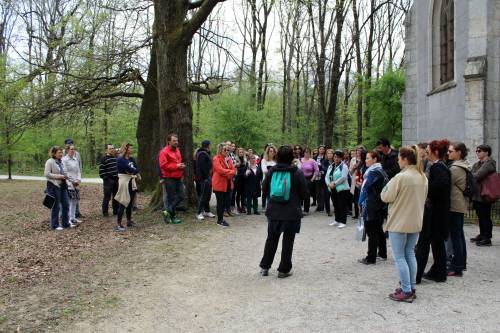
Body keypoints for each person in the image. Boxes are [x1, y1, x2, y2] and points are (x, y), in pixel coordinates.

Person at [381, 145, 428, 302]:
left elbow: (385, 196)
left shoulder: (400, 177)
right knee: (409, 253)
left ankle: (406, 290)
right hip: (415, 221)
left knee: (400, 256)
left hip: (399, 222)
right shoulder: (422, 176)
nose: (397, 161)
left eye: (399, 158)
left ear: (405, 159)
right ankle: (410, 286)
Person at [259, 145, 308, 278]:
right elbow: (304, 193)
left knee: (271, 239)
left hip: (274, 211)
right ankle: (283, 270)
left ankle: (265, 267)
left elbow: (264, 189)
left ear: (277, 156)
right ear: (292, 156)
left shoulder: (272, 171)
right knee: (288, 241)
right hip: (291, 212)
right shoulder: (296, 172)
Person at [416, 140, 451, 284]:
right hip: (437, 212)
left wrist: (425, 190)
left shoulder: (439, 168)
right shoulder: (438, 167)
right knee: (436, 244)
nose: (426, 152)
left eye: (429, 150)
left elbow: (438, 189)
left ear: (435, 152)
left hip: (434, 214)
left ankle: (416, 275)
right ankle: (439, 272)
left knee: (424, 244)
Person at [357, 150, 388, 264]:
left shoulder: (374, 172)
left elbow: (366, 189)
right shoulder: (380, 170)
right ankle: (382, 253)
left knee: (371, 231)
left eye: (368, 158)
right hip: (379, 204)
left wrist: (360, 202)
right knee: (378, 229)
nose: (365, 160)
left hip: (372, 205)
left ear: (375, 159)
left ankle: (371, 257)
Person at [446, 142, 470, 276]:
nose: (448, 153)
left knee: (456, 236)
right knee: (458, 235)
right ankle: (460, 263)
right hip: (459, 204)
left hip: (455, 205)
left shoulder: (455, 168)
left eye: (451, 151)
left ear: (459, 152)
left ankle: (457, 266)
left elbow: (446, 183)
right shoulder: (462, 165)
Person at [470, 144, 497, 246]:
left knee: (485, 216)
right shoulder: (478, 164)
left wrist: (471, 175)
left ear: (486, 152)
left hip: (485, 194)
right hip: (477, 194)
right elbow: (472, 175)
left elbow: (477, 175)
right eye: (477, 151)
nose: (477, 152)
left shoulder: (489, 163)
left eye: (479, 151)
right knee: (480, 215)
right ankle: (482, 234)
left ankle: (487, 237)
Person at [159, 134, 185, 224]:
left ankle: (167, 211)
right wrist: (177, 166)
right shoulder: (164, 152)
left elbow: (178, 161)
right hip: (169, 178)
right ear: (169, 141)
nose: (176, 142)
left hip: (178, 177)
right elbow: (163, 165)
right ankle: (173, 217)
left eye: (177, 141)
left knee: (181, 195)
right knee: (171, 198)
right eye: (174, 141)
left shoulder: (177, 150)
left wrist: (181, 165)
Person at [45, 146, 72, 231]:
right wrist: (60, 176)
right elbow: (47, 174)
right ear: (54, 153)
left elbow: (64, 171)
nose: (61, 154)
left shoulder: (61, 162)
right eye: (59, 153)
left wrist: (66, 176)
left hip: (63, 186)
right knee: (56, 206)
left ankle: (66, 223)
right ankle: (55, 225)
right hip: (54, 186)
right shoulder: (49, 162)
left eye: (61, 152)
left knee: (66, 204)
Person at [115, 143, 140, 231]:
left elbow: (137, 169)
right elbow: (127, 169)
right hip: (124, 181)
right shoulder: (120, 159)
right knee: (123, 202)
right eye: (130, 148)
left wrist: (133, 171)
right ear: (125, 149)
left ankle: (129, 221)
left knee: (130, 202)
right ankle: (118, 224)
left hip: (131, 181)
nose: (131, 150)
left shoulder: (131, 159)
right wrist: (132, 171)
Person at [212, 143, 236, 227]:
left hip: (228, 183)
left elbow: (234, 169)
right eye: (224, 150)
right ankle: (220, 220)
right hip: (219, 184)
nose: (226, 151)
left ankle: (221, 219)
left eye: (228, 150)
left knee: (225, 202)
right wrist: (230, 172)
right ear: (220, 150)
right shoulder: (216, 158)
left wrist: (229, 172)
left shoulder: (228, 159)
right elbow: (219, 170)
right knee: (220, 203)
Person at [325, 150, 350, 228]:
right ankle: (337, 220)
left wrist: (334, 183)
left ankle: (343, 221)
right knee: (336, 205)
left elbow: (343, 177)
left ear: (341, 158)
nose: (336, 159)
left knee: (342, 205)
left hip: (342, 189)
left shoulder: (344, 166)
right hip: (332, 188)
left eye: (338, 157)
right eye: (335, 157)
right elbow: (326, 177)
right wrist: (329, 184)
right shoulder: (331, 166)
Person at [195, 140, 216, 221]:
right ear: (208, 145)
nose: (211, 146)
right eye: (210, 145)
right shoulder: (202, 154)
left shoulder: (206, 153)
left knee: (207, 195)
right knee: (203, 195)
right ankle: (199, 212)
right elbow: (203, 168)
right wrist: (206, 178)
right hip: (204, 178)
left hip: (208, 177)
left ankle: (207, 211)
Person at [62, 145, 82, 226]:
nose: (73, 151)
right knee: (69, 202)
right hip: (69, 183)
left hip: (76, 183)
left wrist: (78, 179)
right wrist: (72, 181)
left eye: (74, 149)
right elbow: (65, 172)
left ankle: (73, 218)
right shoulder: (64, 160)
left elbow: (78, 171)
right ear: (67, 150)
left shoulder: (75, 159)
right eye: (71, 149)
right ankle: (68, 219)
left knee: (75, 201)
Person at [99, 143, 119, 217]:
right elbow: (101, 172)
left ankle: (116, 211)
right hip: (108, 181)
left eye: (112, 148)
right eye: (110, 148)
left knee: (116, 197)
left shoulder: (115, 158)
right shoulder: (103, 159)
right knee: (107, 197)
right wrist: (107, 178)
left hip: (116, 180)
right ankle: (105, 212)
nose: (111, 150)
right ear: (106, 150)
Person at [300, 148, 320, 215]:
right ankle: (299, 209)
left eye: (308, 152)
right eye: (305, 152)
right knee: (299, 193)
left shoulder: (312, 161)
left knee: (307, 194)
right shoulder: (300, 160)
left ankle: (306, 210)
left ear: (310, 153)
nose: (306, 153)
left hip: (309, 179)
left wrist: (312, 179)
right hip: (300, 179)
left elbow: (317, 170)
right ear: (303, 153)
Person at [260, 145, 277, 209]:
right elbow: (264, 170)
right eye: (270, 151)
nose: (272, 152)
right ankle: (267, 207)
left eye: (273, 151)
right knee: (267, 195)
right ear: (267, 152)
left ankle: (272, 207)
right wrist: (275, 171)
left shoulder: (276, 161)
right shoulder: (264, 160)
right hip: (266, 180)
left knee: (274, 195)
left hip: (275, 181)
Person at [315, 145, 327, 212]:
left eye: (323, 149)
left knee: (322, 191)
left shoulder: (325, 158)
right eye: (320, 149)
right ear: (318, 150)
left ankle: (322, 206)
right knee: (317, 191)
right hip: (316, 176)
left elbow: (326, 166)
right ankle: (318, 205)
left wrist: (322, 171)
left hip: (323, 176)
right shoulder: (315, 157)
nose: (321, 150)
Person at [235, 148, 248, 213]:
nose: (241, 153)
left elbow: (246, 168)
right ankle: (238, 206)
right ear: (238, 153)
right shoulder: (236, 160)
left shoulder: (245, 160)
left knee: (243, 193)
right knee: (238, 193)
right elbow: (236, 169)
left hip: (244, 179)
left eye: (242, 152)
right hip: (238, 178)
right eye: (240, 152)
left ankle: (243, 206)